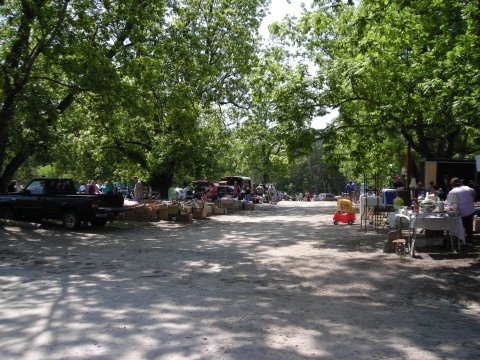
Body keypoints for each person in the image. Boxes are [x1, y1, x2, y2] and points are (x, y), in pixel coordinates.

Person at [447, 177, 476, 246]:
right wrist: (472, 198)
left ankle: (461, 240)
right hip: (470, 209)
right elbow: (474, 191)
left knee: (460, 226)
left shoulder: (452, 191)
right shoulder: (467, 188)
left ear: (452, 184)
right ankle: (470, 242)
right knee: (469, 226)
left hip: (461, 211)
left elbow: (451, 203)